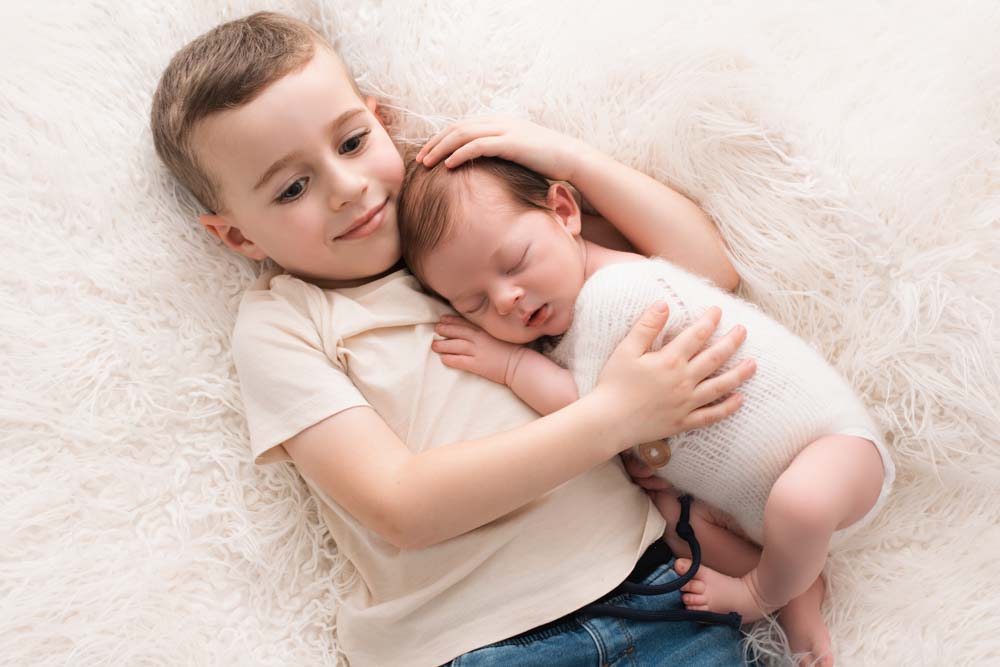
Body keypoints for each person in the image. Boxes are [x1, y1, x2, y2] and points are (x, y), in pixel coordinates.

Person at [150, 11, 758, 667]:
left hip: (656, 593)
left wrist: (571, 158)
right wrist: (614, 415)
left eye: (352, 143)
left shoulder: (470, 233)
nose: (347, 189)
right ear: (237, 236)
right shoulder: (286, 323)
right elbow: (401, 505)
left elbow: (708, 270)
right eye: (294, 187)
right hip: (476, 641)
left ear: (381, 121)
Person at [398, 155, 897, 666]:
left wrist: (509, 366)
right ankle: (797, 585)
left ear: (565, 212)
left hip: (834, 452)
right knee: (670, 522)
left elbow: (594, 412)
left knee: (801, 503)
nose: (505, 298)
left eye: (515, 262)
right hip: (741, 507)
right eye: (474, 303)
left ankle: (764, 592)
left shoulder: (618, 292)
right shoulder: (572, 323)